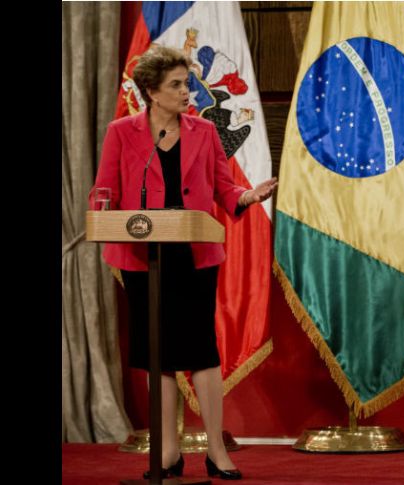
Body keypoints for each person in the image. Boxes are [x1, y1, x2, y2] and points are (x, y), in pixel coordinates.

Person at [89, 45, 278, 481]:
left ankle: (216, 449)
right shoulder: (123, 132)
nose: (186, 91)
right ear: (152, 92)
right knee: (160, 356)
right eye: (176, 85)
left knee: (201, 352)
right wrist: (103, 217)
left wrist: (247, 197)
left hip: (193, 255)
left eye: (187, 83)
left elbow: (224, 189)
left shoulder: (204, 131)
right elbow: (103, 193)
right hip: (144, 258)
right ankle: (169, 452)